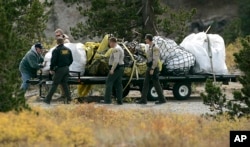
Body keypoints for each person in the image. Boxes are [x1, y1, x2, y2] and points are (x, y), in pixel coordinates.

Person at [137, 34, 166, 104]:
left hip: (154, 68)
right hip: (149, 66)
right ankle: (143, 99)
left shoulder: (155, 47)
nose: (145, 40)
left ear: (149, 39)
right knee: (145, 83)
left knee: (156, 84)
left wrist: (152, 69)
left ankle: (162, 99)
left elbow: (155, 59)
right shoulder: (149, 47)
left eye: (146, 39)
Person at [43, 37, 73, 104]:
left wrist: (51, 69)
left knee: (55, 84)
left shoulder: (56, 50)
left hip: (59, 69)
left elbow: (53, 61)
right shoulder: (68, 50)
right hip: (66, 69)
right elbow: (71, 60)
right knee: (65, 84)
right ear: (63, 42)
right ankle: (69, 99)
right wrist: (67, 65)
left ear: (57, 42)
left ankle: (47, 99)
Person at [103, 37, 124, 105]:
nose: (109, 44)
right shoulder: (119, 48)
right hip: (120, 68)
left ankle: (107, 100)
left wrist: (112, 69)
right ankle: (119, 100)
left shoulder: (116, 49)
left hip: (116, 68)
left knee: (109, 82)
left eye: (110, 43)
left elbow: (116, 60)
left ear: (112, 42)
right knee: (118, 84)